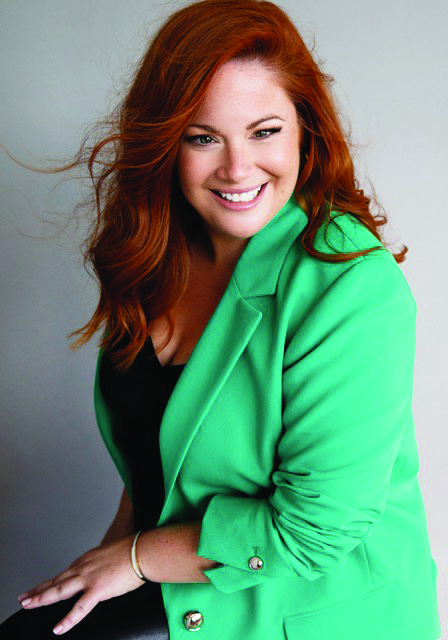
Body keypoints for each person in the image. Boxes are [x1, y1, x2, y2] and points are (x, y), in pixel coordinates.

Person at [0, 0, 441, 638]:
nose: (237, 169)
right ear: (165, 142)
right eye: (203, 137)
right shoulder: (155, 253)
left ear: (305, 130)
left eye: (264, 132)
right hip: (174, 587)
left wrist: (134, 561)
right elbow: (159, 454)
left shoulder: (350, 284)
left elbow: (313, 532)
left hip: (306, 615)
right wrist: (104, 566)